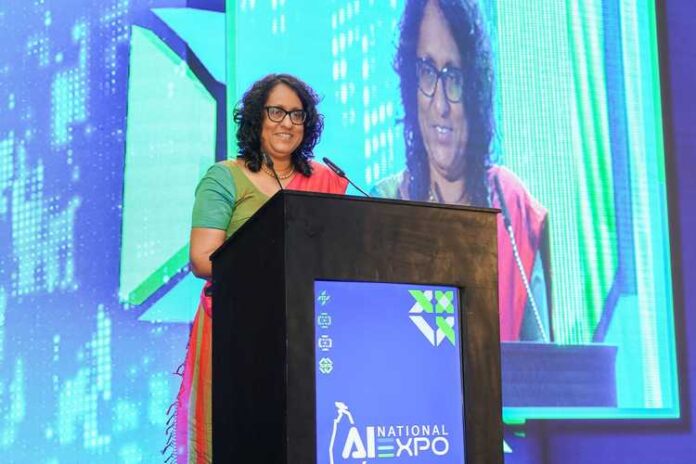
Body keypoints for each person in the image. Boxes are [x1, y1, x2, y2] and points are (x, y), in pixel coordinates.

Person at [167, 74, 347, 464]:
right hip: (239, 330)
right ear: (256, 118)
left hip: (310, 331)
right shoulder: (225, 177)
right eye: (276, 112)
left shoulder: (326, 180)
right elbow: (202, 257)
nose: (287, 123)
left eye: (297, 114)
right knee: (241, 437)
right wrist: (268, 267)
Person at [372, 0, 551, 342]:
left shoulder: (513, 209)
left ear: (475, 89)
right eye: (427, 72)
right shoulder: (383, 205)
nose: (440, 104)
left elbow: (540, 366)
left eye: (454, 77)